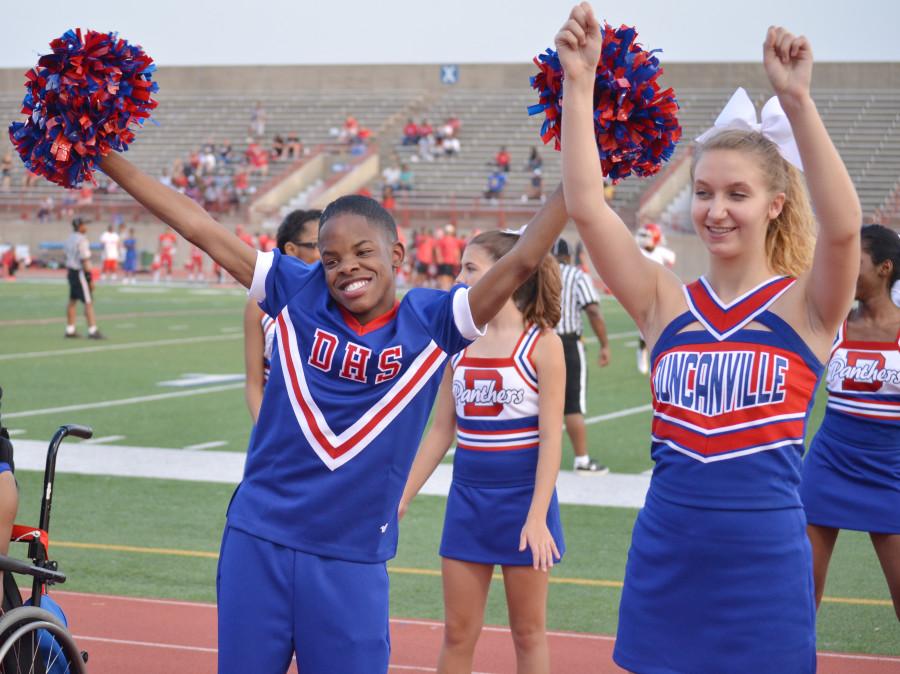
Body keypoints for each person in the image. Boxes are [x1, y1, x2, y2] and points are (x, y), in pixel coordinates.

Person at [99, 145, 569, 674]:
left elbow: (525, 256)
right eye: (331, 259)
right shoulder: (294, 289)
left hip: (352, 555)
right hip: (260, 537)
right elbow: (200, 228)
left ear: (397, 255)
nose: (347, 268)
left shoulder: (437, 321)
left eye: (363, 252)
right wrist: (104, 156)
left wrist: (585, 162)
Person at [557, 4, 861, 672]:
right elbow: (585, 204)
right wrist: (578, 86)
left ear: (774, 202)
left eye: (737, 194)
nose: (716, 209)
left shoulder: (807, 306)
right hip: (668, 555)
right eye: (703, 193)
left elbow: (843, 232)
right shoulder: (665, 302)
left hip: (768, 567)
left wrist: (798, 103)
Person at [400, 230, 565, 673]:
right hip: (468, 502)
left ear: (510, 272)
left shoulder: (543, 344)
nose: (459, 278)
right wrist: (402, 496)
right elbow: (441, 431)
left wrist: (536, 516)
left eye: (470, 269)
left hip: (524, 504)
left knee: (528, 633)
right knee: (457, 633)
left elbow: (552, 437)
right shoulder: (460, 340)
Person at [800, 223, 900, 620]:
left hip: (890, 469)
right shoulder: (831, 321)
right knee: (800, 597)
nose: (842, 267)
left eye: (854, 260)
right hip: (829, 464)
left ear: (884, 268)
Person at [244, 209, 321, 424]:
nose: (327, 252)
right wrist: (266, 434)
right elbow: (253, 383)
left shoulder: (343, 300)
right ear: (291, 249)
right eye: (317, 245)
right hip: (279, 428)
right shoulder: (258, 305)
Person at [553, 238, 610, 474]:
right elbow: (593, 310)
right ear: (568, 256)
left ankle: (532, 459)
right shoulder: (576, 276)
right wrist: (604, 344)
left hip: (534, 342)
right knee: (572, 405)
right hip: (566, 343)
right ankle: (582, 460)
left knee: (538, 404)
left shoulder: (534, 273)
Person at [634, 223, 677, 374]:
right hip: (642, 292)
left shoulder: (660, 252)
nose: (643, 239)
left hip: (659, 292)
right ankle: (642, 351)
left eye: (647, 236)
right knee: (645, 326)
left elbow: (672, 259)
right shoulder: (638, 252)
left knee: (663, 324)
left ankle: (657, 354)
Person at [64, 217, 104, 339]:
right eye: (84, 225)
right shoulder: (82, 240)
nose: (86, 227)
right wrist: (89, 278)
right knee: (88, 302)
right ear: (79, 226)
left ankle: (70, 329)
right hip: (80, 272)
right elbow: (85, 259)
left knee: (72, 301)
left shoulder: (69, 238)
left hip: (71, 271)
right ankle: (92, 330)